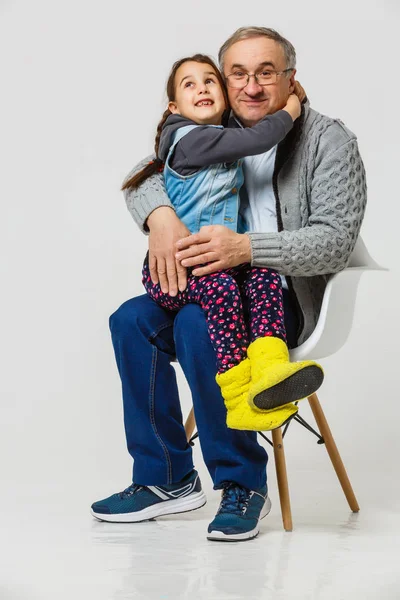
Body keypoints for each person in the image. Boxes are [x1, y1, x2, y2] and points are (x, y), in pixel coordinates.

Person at [91, 27, 367, 542]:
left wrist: (247, 248)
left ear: (291, 80)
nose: (252, 86)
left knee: (197, 326)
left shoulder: (328, 141)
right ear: (224, 81)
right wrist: (161, 216)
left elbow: (334, 241)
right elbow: (147, 166)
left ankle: (242, 481)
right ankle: (165, 478)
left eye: (267, 72)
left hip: (280, 290)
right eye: (237, 74)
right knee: (130, 320)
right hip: (210, 278)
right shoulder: (219, 123)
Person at [125, 53, 324, 432]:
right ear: (173, 108)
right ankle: (238, 397)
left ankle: (271, 371)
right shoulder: (191, 138)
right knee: (220, 293)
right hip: (180, 272)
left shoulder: (217, 136)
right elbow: (259, 137)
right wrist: (293, 109)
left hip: (221, 263)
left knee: (264, 276)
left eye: (209, 81)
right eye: (189, 84)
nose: (201, 88)